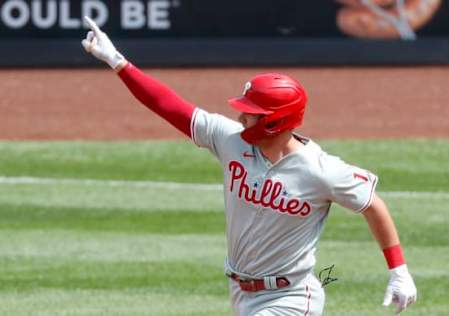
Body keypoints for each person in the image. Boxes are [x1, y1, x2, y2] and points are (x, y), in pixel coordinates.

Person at [81, 16, 417, 316]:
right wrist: (118, 62)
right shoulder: (231, 140)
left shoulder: (320, 170)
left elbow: (372, 205)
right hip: (241, 293)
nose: (241, 116)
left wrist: (398, 270)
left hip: (291, 297)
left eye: (251, 112)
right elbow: (171, 107)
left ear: (277, 122)